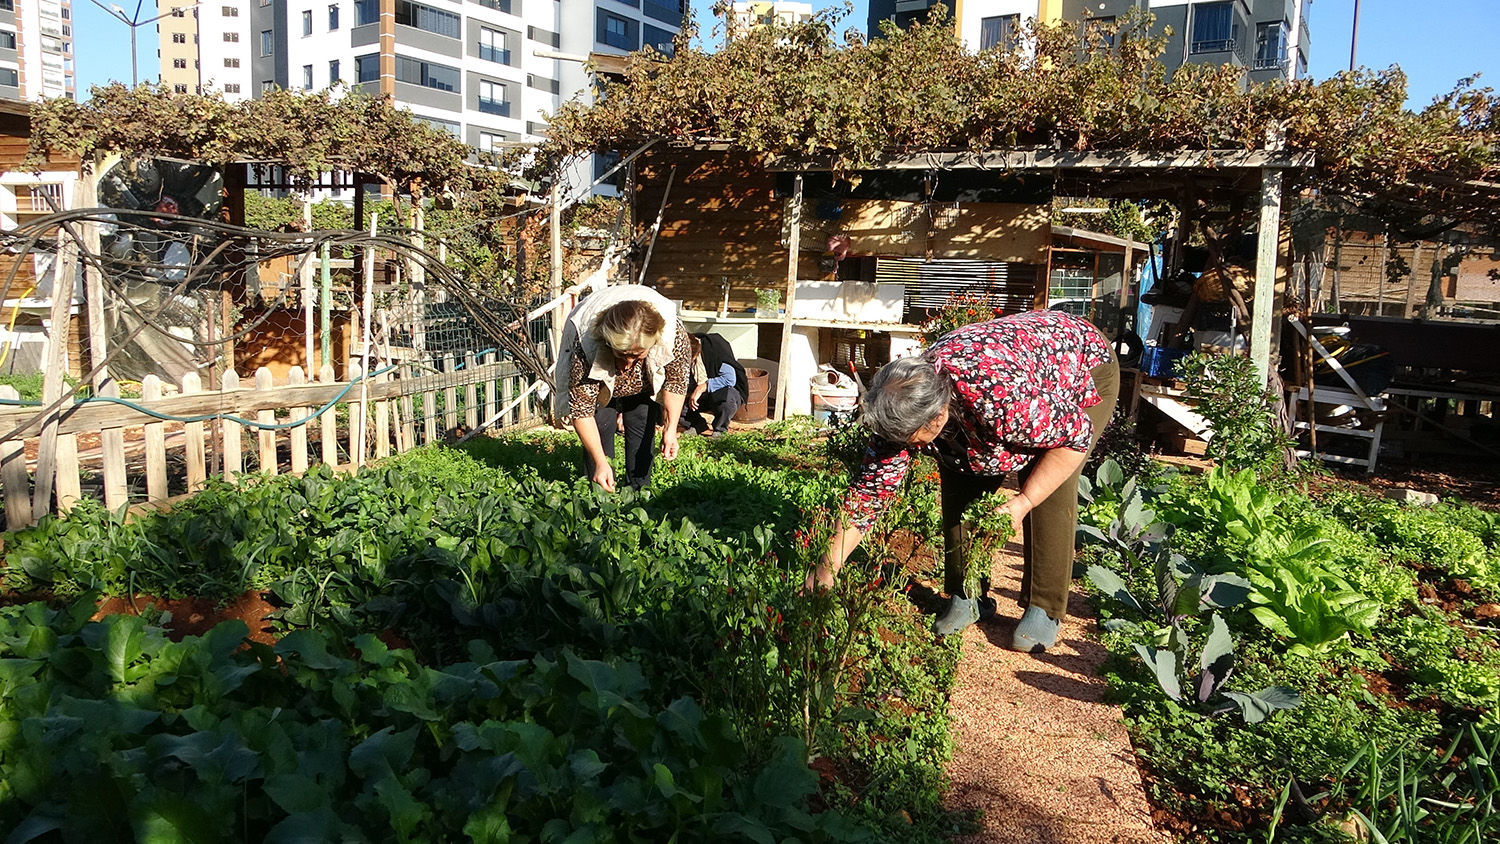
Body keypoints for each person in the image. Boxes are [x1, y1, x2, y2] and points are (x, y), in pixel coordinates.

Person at [805, 309, 1119, 653]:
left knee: (1048, 481)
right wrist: (825, 570)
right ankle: (967, 594)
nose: (913, 450)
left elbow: (1074, 439)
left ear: (940, 413)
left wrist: (1023, 501)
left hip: (1082, 364)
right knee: (959, 467)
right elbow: (869, 495)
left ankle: (1043, 606)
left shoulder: (1000, 397)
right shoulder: (901, 399)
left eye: (915, 440)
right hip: (1018, 366)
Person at [553, 284, 691, 492]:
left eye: (636, 355)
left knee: (641, 416)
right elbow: (581, 410)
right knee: (602, 422)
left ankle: (639, 491)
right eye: (622, 354)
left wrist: (670, 431)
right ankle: (598, 490)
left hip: (642, 380)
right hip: (599, 364)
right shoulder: (587, 343)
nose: (627, 364)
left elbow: (676, 383)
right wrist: (600, 461)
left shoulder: (674, 336)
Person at [682, 332, 748, 436]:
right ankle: (697, 425)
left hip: (720, 393)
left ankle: (720, 429)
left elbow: (729, 379)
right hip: (699, 397)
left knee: (727, 397)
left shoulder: (713, 350)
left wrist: (702, 388)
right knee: (674, 401)